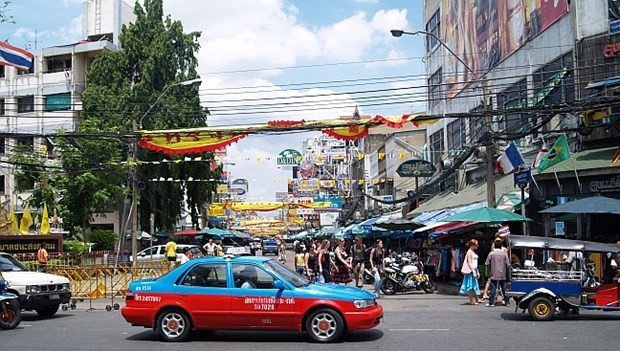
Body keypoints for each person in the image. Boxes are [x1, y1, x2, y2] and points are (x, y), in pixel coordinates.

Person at [485, 239, 510, 307]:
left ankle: (491, 302)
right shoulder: (504, 254)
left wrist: (488, 271)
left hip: (493, 273)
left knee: (493, 287)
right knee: (504, 288)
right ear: (501, 246)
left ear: (494, 246)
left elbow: (487, 263)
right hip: (503, 273)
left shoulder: (491, 253)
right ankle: (507, 302)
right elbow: (508, 264)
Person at [460, 239, 483, 305]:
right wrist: (473, 271)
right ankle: (471, 300)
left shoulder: (472, 251)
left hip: (474, 269)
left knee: (474, 285)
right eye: (476, 245)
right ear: (472, 245)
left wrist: (477, 271)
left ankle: (477, 299)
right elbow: (470, 263)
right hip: (471, 271)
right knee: (471, 286)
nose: (477, 246)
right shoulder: (469, 252)